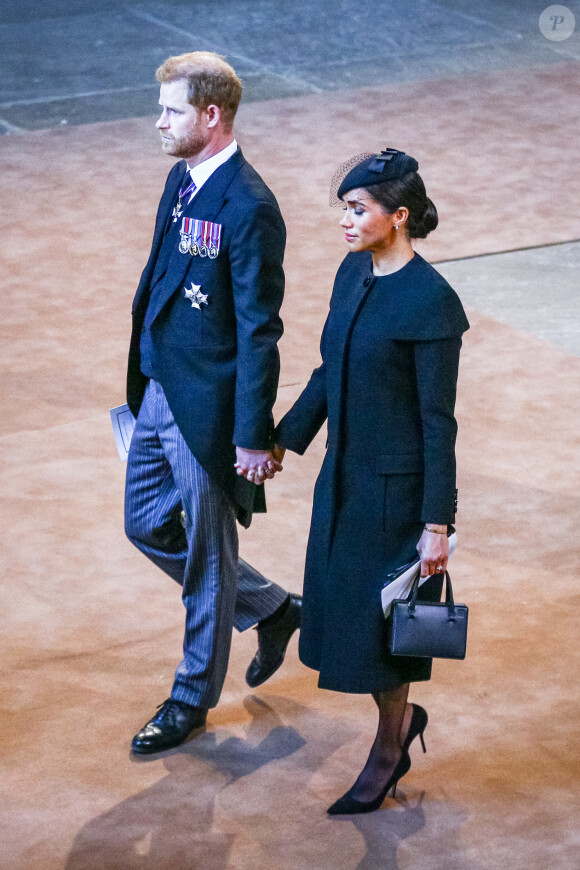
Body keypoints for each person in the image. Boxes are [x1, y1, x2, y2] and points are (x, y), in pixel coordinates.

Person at [273, 148, 469, 813]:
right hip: (344, 483)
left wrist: (437, 525)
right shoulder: (352, 274)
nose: (345, 223)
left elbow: (438, 424)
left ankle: (390, 742)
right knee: (348, 620)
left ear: (399, 216)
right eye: (344, 210)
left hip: (395, 498)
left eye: (357, 211)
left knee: (381, 633)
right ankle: (397, 726)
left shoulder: (432, 303)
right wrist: (282, 440)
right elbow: (329, 370)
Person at [125, 51, 301, 755]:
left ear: (212, 115)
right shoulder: (182, 179)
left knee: (205, 559)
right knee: (143, 523)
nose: (158, 122)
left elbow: (262, 328)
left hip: (212, 415)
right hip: (161, 389)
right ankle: (273, 607)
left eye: (171, 110)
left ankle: (191, 698)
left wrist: (253, 435)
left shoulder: (250, 208)